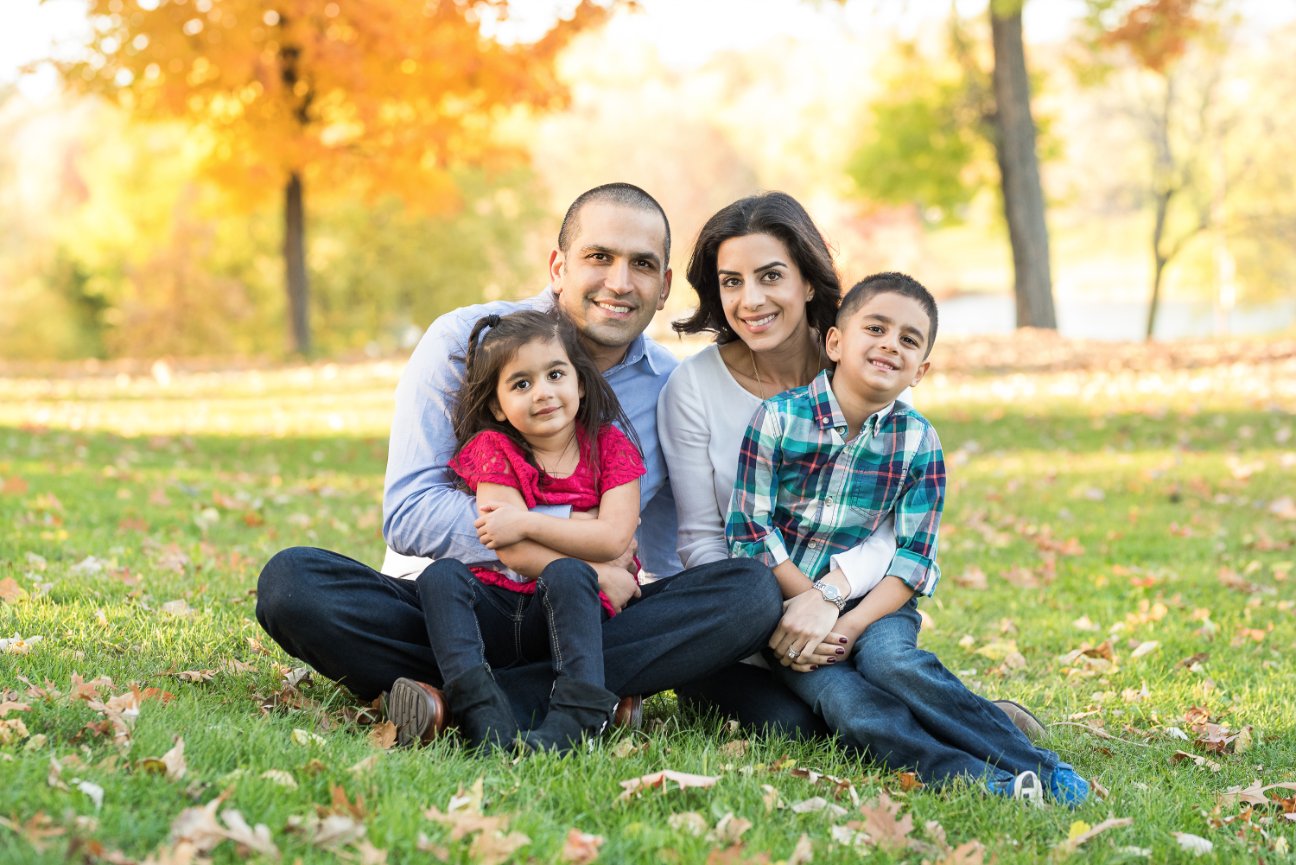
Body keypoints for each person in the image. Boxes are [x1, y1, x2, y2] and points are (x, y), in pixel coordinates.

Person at [255, 183, 781, 746]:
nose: (621, 282)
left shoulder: (668, 388)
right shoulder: (464, 341)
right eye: (599, 257)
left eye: (643, 265)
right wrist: (573, 550)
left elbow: (666, 552)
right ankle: (579, 695)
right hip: (456, 606)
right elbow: (411, 513)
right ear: (558, 266)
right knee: (292, 584)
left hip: (586, 622)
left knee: (748, 591)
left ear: (664, 286)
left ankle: (471, 701)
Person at [659, 192, 1042, 741]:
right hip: (737, 611)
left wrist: (828, 603)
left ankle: (972, 724)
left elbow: (891, 531)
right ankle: (969, 720)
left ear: (808, 281)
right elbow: (700, 541)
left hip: (838, 607)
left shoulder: (865, 362)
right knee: (794, 726)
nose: (751, 300)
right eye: (731, 281)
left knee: (858, 676)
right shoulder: (693, 387)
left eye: (771, 276)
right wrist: (775, 618)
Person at [726, 272, 1089, 805]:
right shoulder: (779, 420)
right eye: (875, 327)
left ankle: (1037, 765)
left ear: (920, 369)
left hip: (876, 609)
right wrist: (810, 603)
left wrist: (848, 623)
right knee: (849, 706)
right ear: (834, 342)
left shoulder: (919, 441)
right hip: (789, 609)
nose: (890, 344)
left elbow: (914, 559)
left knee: (892, 664)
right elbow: (751, 532)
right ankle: (983, 782)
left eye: (909, 339)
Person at [395, 310, 645, 752]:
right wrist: (595, 563)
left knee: (570, 576)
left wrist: (529, 519)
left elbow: (613, 539)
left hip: (578, 613)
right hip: (501, 607)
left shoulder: (612, 446)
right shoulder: (493, 449)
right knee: (440, 576)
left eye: (555, 375)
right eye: (521, 384)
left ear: (580, 383)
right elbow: (509, 549)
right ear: (497, 406)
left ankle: (578, 712)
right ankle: (478, 706)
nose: (543, 393)